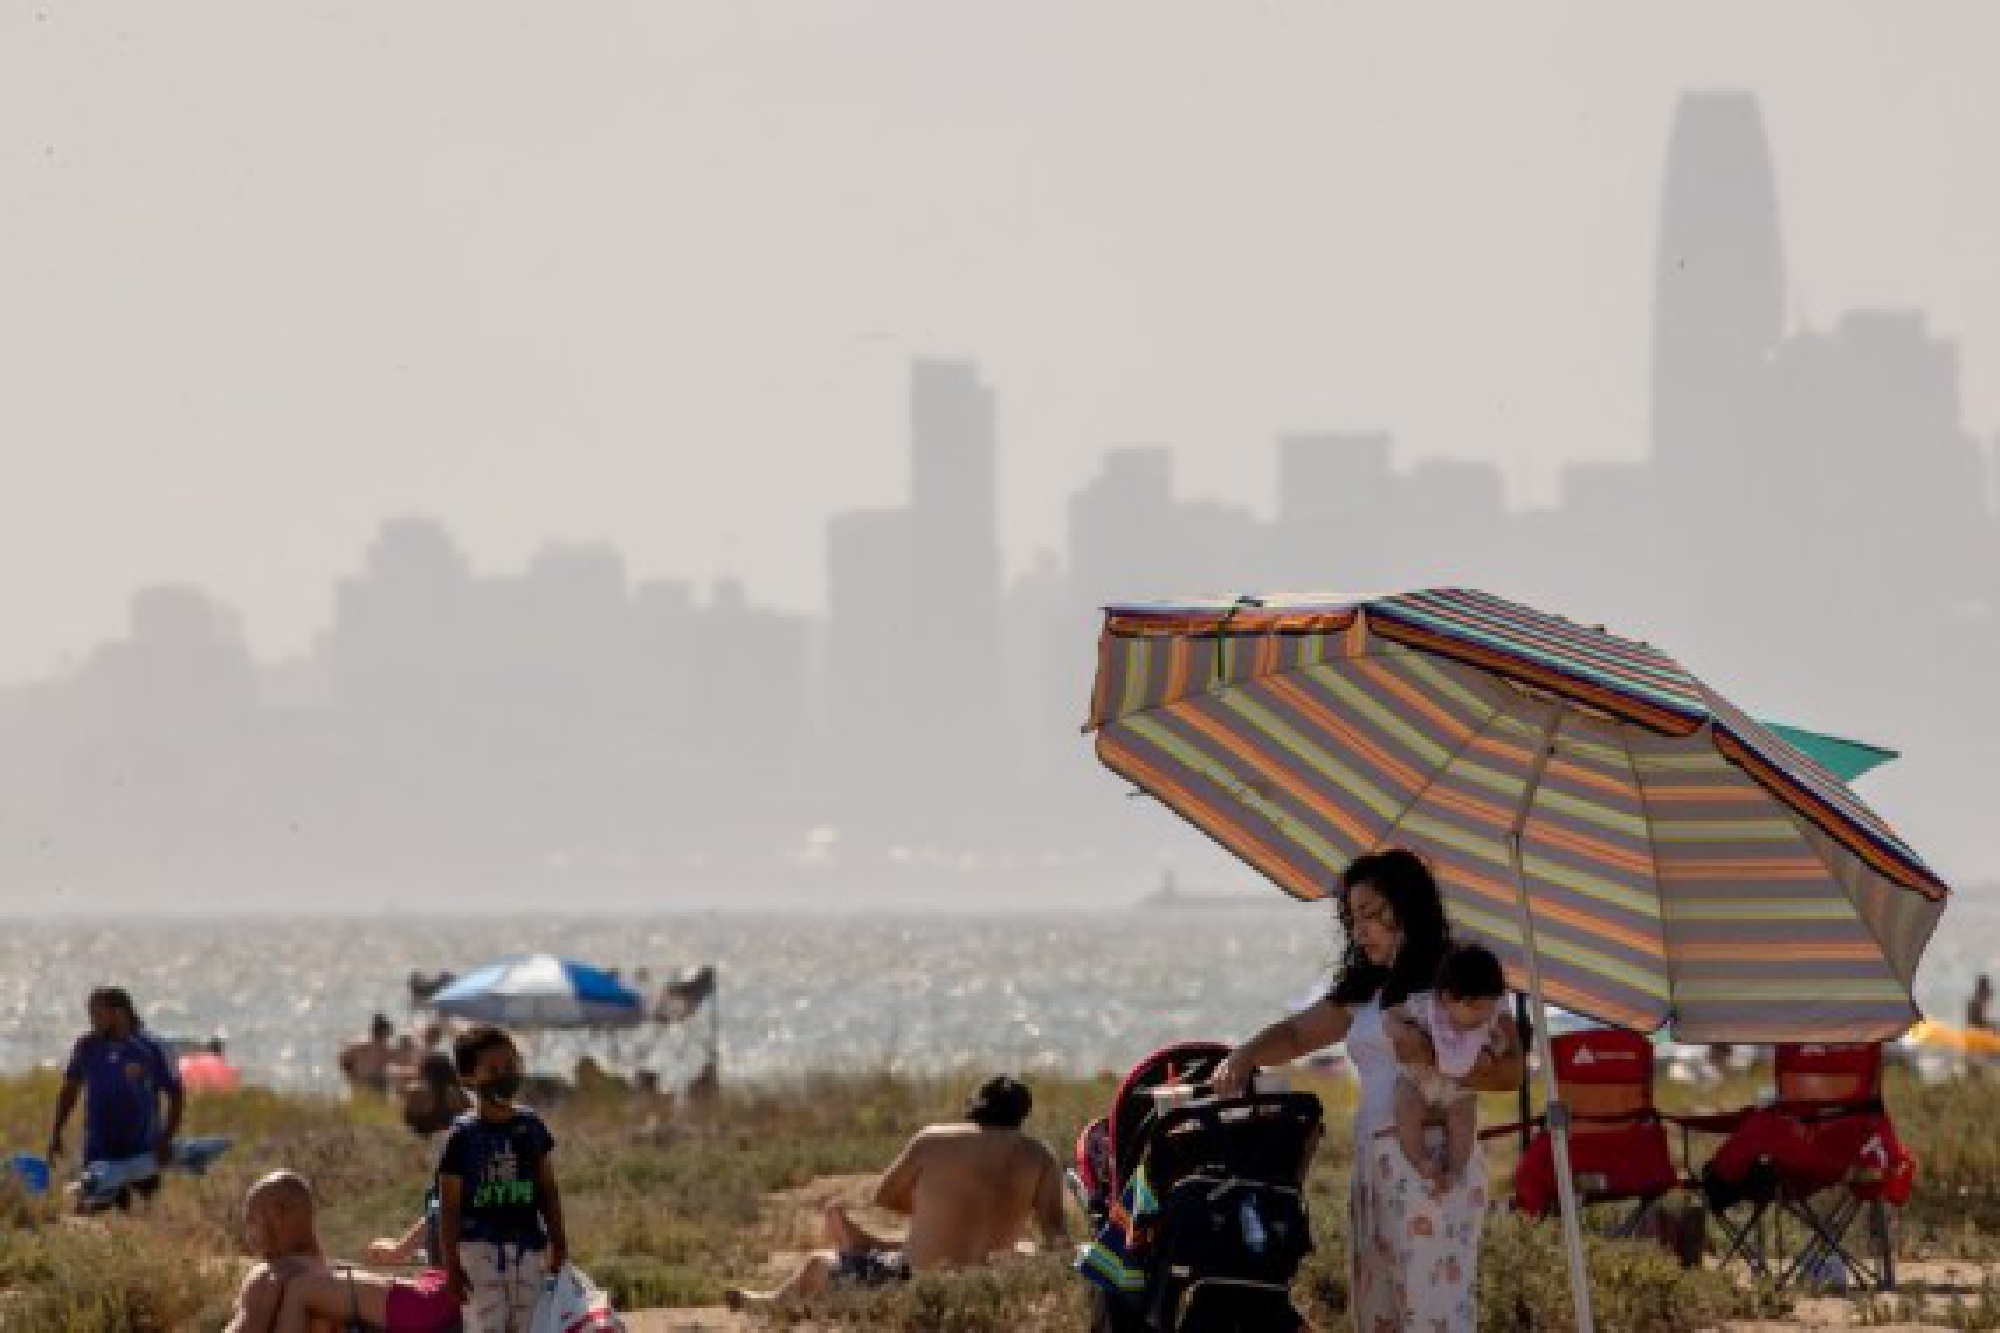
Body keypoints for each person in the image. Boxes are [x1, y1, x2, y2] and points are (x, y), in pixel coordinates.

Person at [1212, 849, 1523, 1333]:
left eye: (1369, 915)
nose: (1359, 932)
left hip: (1434, 1160)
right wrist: (1243, 1055)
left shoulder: (1457, 974)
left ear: (1405, 906)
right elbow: (1296, 1034)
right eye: (1352, 919)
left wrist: (1429, 1052)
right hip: (1374, 1167)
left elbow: (1509, 1073)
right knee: (1380, 1318)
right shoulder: (1368, 988)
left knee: (1434, 1317)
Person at [725, 1074, 1068, 1310]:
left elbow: (884, 1196)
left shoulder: (934, 1138)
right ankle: (869, 1242)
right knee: (1024, 1249)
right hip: (987, 1283)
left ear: (975, 1107)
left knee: (818, 1264)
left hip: (914, 1280)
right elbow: (1056, 1236)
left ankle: (770, 1303)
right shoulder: (1040, 1156)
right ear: (1023, 1115)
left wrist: (937, 1211)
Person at [437, 1024, 568, 1333]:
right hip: (478, 1251)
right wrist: (451, 1266)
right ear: (468, 1078)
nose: (504, 1075)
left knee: (529, 1324)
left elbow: (548, 1190)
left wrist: (559, 1241)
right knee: (488, 1324)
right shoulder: (461, 1137)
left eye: (510, 1066)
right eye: (493, 1069)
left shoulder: (531, 1127)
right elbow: (449, 1208)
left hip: (529, 1247)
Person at [223, 1170, 458, 1333]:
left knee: (299, 1290)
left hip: (434, 1295)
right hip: (437, 1288)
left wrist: (399, 1251)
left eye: (250, 1220)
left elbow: (246, 1328)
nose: (247, 1233)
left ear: (278, 1214)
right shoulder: (328, 1271)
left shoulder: (273, 1274)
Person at [1383, 942, 1507, 1195]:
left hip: (1458, 1086)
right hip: (1419, 1078)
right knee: (1405, 1105)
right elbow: (1389, 1016)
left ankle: (1456, 1170)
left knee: (1464, 1119)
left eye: (1489, 1006)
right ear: (1447, 998)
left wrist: (1491, 1054)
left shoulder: (1487, 1020)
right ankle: (1419, 1159)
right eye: (1476, 1008)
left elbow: (1500, 1040)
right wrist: (1404, 1032)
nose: (1483, 1016)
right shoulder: (1424, 1006)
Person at [47, 986, 185, 1209]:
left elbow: (176, 1095)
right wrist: (56, 1132)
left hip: (141, 1154)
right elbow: (70, 1089)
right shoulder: (86, 1046)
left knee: (139, 1218)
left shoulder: (154, 1047)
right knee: (91, 1212)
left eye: (97, 1015)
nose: (92, 1021)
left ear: (119, 1013)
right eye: (91, 1015)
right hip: (98, 1152)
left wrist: (166, 1139)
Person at [400, 1024, 470, 1138]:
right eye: (421, 1105)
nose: (415, 1098)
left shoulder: (428, 1068)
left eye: (411, 1102)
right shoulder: (454, 1098)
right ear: (434, 1109)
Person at [340, 1015, 399, 1097]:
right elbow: (343, 1058)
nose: (387, 1038)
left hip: (364, 1081)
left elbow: (343, 1058)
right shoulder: (385, 1050)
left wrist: (351, 1075)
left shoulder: (360, 1046)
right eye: (387, 1034)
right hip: (372, 1082)